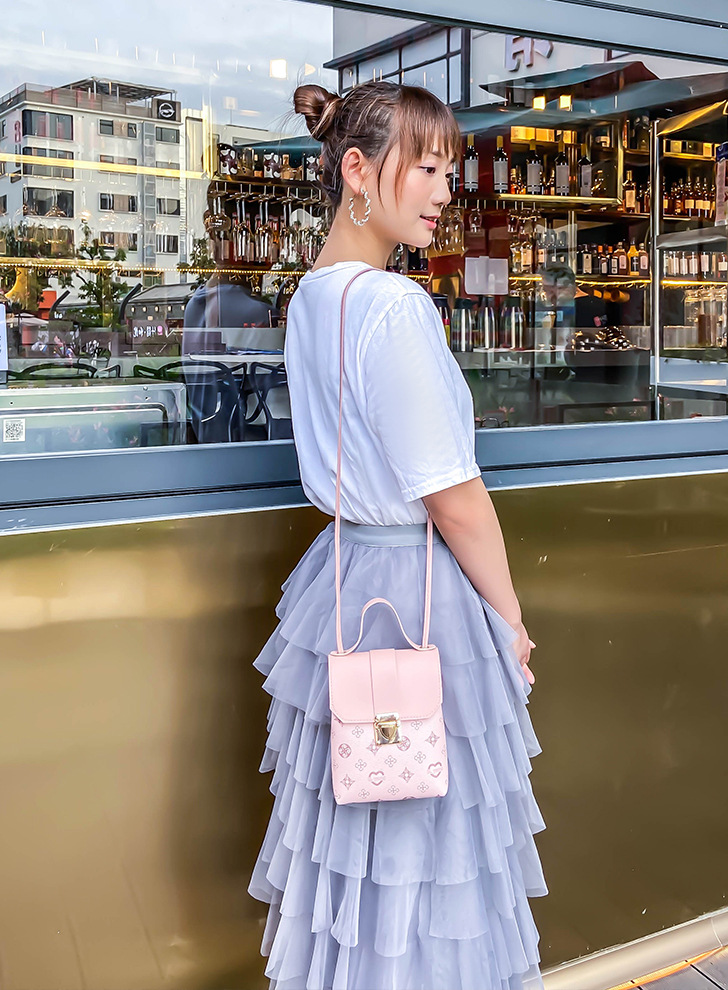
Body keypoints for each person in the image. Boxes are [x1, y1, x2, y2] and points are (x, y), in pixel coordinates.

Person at [248, 79, 548, 990]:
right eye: (424, 166)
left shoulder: (311, 300)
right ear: (356, 171)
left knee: (357, 842)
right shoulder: (395, 307)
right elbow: (454, 497)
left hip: (343, 582)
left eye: (446, 169)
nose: (442, 189)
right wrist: (511, 622)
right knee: (431, 847)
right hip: (421, 594)